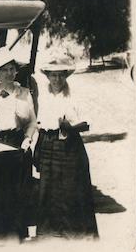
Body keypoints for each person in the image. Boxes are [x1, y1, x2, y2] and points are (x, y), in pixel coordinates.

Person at [34, 55, 98, 238]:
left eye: (61, 75)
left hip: (70, 145)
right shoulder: (43, 96)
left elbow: (86, 124)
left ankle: (74, 232)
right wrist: (38, 149)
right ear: (47, 76)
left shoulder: (73, 95)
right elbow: (38, 124)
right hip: (48, 143)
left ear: (65, 76)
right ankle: (51, 233)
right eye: (53, 75)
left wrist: (71, 127)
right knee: (48, 188)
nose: (57, 79)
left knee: (71, 188)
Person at [0, 47, 37, 238]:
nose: (9, 73)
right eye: (4, 70)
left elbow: (32, 122)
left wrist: (27, 139)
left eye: (12, 69)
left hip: (17, 142)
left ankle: (18, 230)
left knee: (18, 188)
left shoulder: (24, 93)